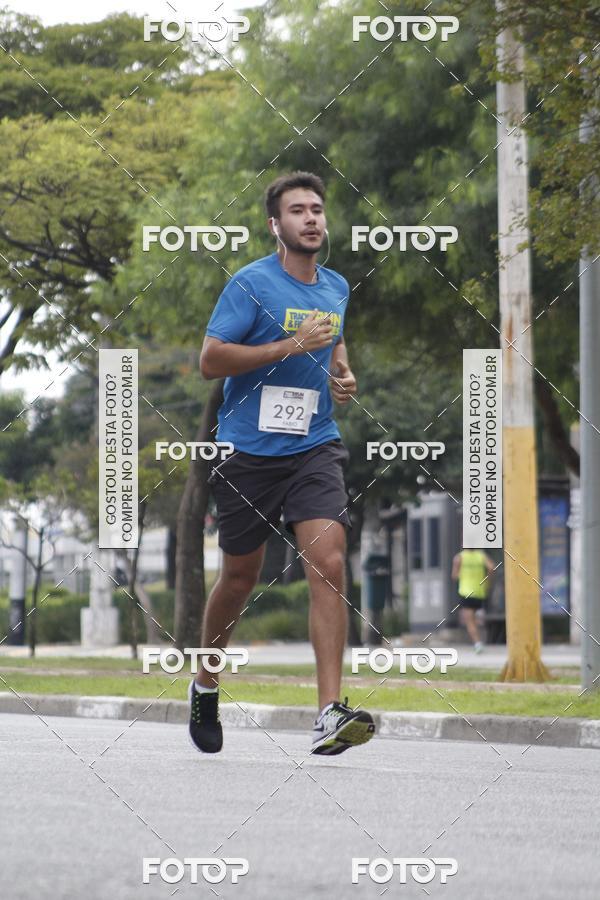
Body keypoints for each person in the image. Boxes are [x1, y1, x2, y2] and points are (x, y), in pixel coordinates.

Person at [189, 171, 375, 756]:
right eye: (298, 210)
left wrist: (341, 375)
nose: (312, 218)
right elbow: (211, 360)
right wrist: (287, 348)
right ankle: (205, 682)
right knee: (239, 578)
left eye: (317, 209)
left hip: (314, 446)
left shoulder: (337, 286)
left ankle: (328, 713)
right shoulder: (250, 285)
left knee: (328, 560)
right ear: (276, 225)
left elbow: (335, 345)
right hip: (247, 452)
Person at [451, 548, 494, 653]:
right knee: (475, 618)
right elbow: (492, 567)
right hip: (480, 591)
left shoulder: (459, 557)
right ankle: (480, 639)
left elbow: (454, 576)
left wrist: (464, 574)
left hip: (466, 592)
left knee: (469, 621)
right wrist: (487, 581)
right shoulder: (481, 555)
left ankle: (477, 643)